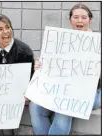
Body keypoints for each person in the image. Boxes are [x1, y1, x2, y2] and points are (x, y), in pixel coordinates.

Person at [29, 3, 101, 135]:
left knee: (63, 110)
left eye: (84, 17)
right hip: (61, 89)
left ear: (90, 20)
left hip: (87, 93)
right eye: (76, 17)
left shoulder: (98, 44)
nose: (80, 20)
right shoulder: (60, 41)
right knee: (35, 107)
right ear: (70, 20)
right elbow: (51, 67)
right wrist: (40, 65)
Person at [0, 14, 35, 135]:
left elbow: (30, 78)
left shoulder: (24, 51)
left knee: (5, 124)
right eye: (0, 29)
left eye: (8, 27)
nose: (5, 32)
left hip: (15, 100)